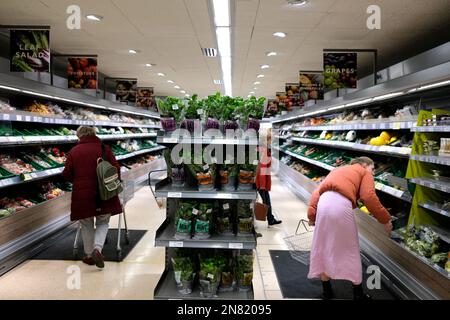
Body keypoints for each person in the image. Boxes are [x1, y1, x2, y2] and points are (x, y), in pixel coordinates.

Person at [307, 156, 392, 300]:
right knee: (350, 248)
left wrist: (311, 216)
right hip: (340, 206)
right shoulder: (364, 172)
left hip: (323, 204)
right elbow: (368, 196)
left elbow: (317, 192)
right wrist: (385, 219)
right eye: (372, 169)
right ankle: (358, 294)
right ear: (364, 165)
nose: (372, 173)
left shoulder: (338, 169)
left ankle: (327, 292)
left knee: (323, 246)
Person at [62, 126, 123, 269]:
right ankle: (97, 249)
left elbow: (67, 173)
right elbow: (116, 169)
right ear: (94, 134)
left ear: (79, 136)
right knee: (103, 221)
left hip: (83, 194)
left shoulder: (74, 151)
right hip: (105, 193)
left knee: (86, 223)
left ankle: (89, 255)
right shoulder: (104, 149)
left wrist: (78, 181)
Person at [255, 129, 282, 226]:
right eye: (270, 139)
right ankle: (270, 219)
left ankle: (270, 218)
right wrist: (262, 185)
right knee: (266, 201)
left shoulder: (259, 148)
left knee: (267, 200)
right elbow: (262, 168)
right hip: (260, 181)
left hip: (259, 179)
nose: (271, 141)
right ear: (265, 139)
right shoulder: (264, 151)